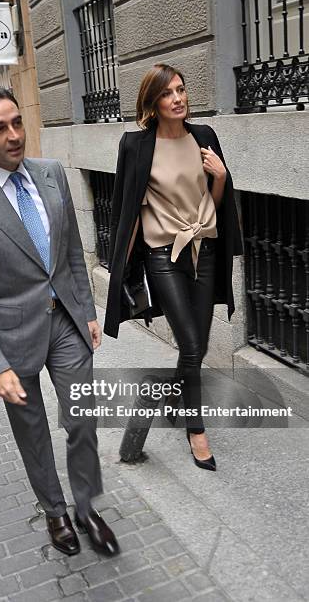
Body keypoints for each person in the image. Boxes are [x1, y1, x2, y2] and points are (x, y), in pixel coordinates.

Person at [0, 84, 119, 557]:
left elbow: (72, 253)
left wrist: (87, 312)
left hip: (67, 324)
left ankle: (85, 507)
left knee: (82, 419)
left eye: (17, 122)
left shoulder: (52, 173)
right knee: (33, 430)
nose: (14, 135)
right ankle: (56, 512)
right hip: (9, 335)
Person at [104, 64, 243, 470]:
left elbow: (214, 203)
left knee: (192, 349)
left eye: (182, 89)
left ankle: (176, 400)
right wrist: (122, 272)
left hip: (205, 251)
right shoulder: (135, 145)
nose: (179, 98)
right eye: (168, 93)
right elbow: (126, 208)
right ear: (153, 103)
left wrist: (221, 176)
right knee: (194, 345)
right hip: (164, 257)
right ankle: (195, 428)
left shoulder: (204, 137)